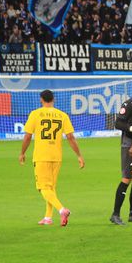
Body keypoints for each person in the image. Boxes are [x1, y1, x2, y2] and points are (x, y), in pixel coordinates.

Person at [19, 89, 84, 225]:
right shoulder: (62, 115)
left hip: (41, 156)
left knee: (43, 188)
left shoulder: (35, 114)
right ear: (53, 99)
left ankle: (62, 210)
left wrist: (22, 153)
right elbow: (70, 137)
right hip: (56, 156)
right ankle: (48, 217)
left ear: (41, 99)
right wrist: (79, 155)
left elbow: (28, 136)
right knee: (51, 187)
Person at [110, 79, 132, 225]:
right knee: (127, 178)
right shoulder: (130, 104)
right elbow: (118, 123)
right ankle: (115, 214)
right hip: (129, 145)